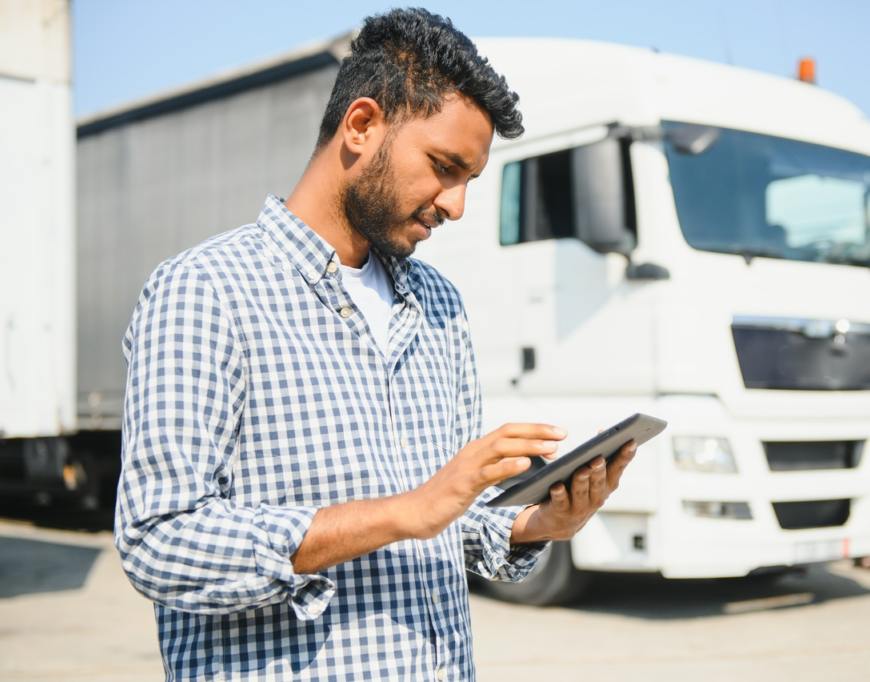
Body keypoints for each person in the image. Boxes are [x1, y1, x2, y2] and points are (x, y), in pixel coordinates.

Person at [115, 8, 636, 680]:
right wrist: (403, 513)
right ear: (361, 126)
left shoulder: (441, 306)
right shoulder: (204, 291)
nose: (456, 206)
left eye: (469, 181)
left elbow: (448, 523)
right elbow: (159, 542)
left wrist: (535, 524)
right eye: (444, 167)